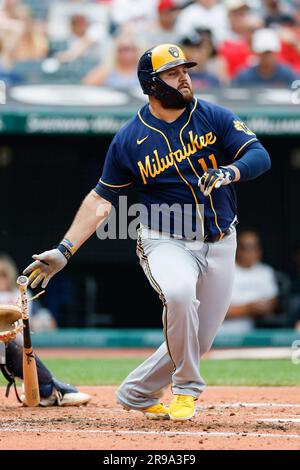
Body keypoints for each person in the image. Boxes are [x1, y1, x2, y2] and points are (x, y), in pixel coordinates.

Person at [23, 43, 271, 421]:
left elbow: (259, 155)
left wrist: (230, 171)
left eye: (184, 70)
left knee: (199, 339)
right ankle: (187, 388)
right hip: (165, 239)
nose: (184, 77)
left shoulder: (213, 115)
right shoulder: (130, 138)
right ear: (152, 85)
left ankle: (136, 391)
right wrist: (65, 249)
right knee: (179, 293)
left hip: (222, 241)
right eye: (173, 73)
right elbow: (100, 200)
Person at [0, 254, 90, 407]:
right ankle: (47, 388)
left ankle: (45, 388)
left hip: (19, 343)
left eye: (3, 275)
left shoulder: (19, 294)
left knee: (5, 342)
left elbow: (47, 321)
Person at [222, 230, 279, 333]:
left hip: (255, 333)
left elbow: (273, 304)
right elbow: (216, 312)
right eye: (246, 248)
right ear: (237, 249)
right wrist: (249, 309)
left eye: (254, 248)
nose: (251, 253)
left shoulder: (265, 272)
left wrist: (263, 308)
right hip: (223, 333)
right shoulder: (224, 271)